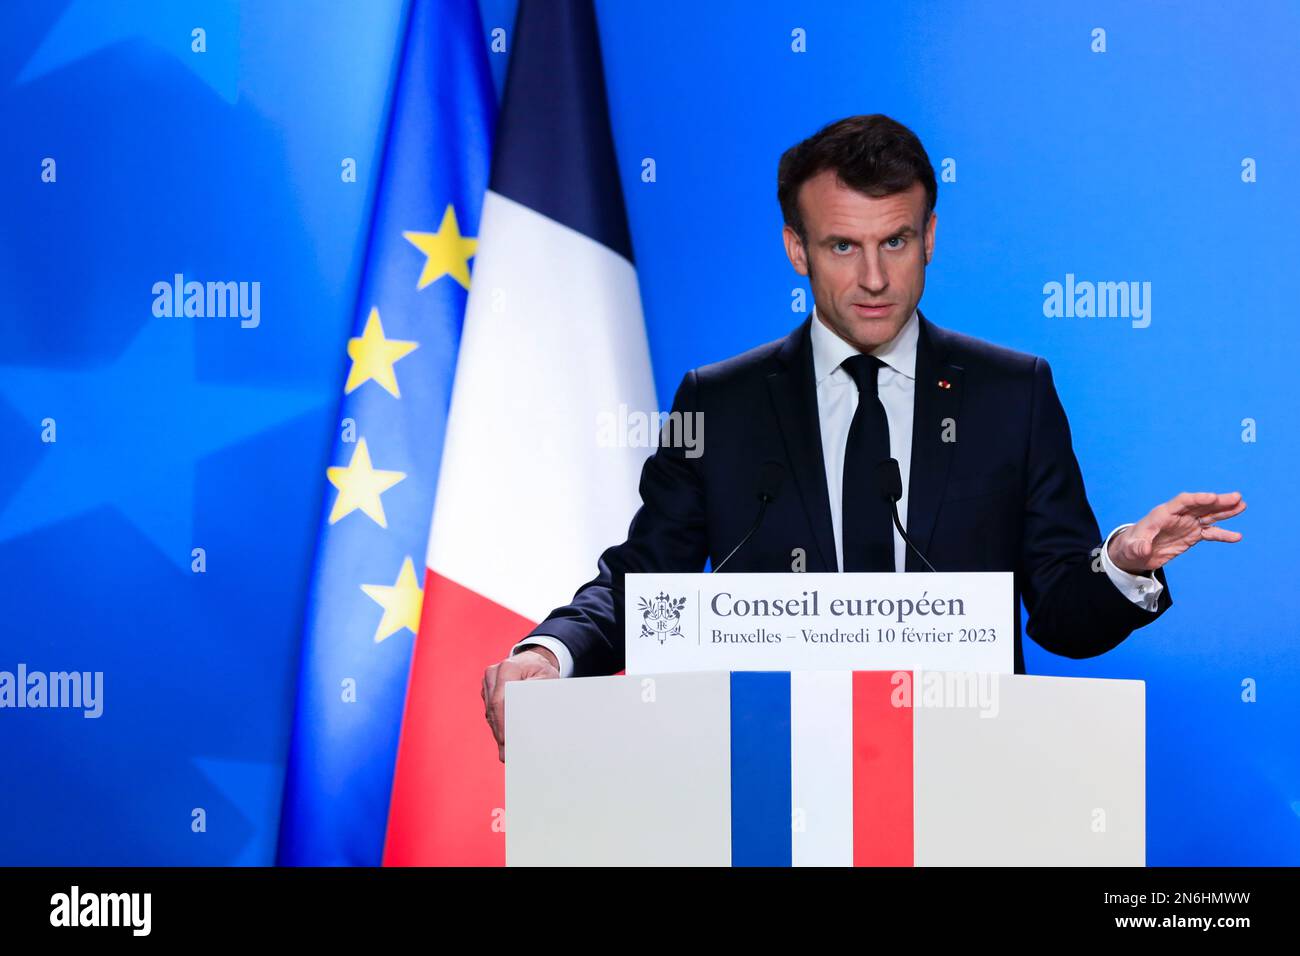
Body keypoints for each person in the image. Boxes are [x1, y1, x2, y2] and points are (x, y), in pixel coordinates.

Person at [482, 114, 1246, 761]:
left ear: (930, 237)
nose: (875, 278)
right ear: (797, 249)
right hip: (770, 786)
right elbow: (645, 585)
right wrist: (550, 653)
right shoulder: (716, 405)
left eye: (897, 242)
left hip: (969, 785)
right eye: (844, 246)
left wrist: (1120, 564)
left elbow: (1058, 617)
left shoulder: (1013, 395)